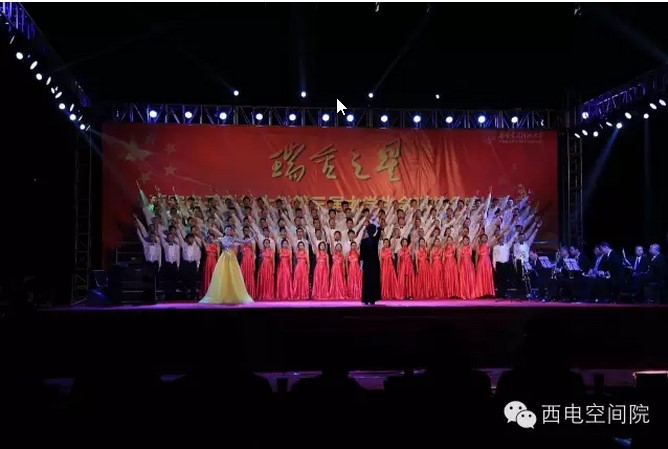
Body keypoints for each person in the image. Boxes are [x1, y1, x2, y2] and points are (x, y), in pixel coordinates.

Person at [200, 226, 254, 305]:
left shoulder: (233, 239)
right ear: (224, 231)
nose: (229, 230)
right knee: (223, 274)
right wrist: (207, 233)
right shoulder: (221, 239)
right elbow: (212, 241)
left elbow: (245, 241)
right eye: (227, 229)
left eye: (230, 229)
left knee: (233, 275)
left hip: (232, 257)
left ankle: (233, 294)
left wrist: (253, 236)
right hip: (224, 257)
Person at [360, 223, 383, 305]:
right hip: (373, 263)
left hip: (368, 263)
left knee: (367, 281)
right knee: (372, 281)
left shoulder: (364, 241)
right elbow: (379, 229)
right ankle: (372, 299)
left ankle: (367, 299)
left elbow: (361, 255)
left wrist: (361, 264)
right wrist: (375, 221)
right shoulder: (375, 239)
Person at [473, 234, 495, 298]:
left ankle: (488, 292)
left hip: (487, 264)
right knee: (480, 278)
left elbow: (495, 240)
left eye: (485, 237)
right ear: (480, 239)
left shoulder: (488, 245)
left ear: (487, 239)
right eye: (482, 237)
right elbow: (476, 257)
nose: (484, 238)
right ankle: (481, 293)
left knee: (488, 277)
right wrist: (476, 266)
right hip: (481, 263)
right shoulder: (478, 247)